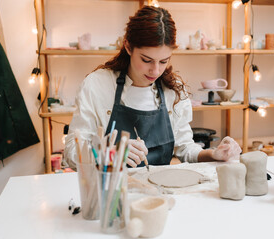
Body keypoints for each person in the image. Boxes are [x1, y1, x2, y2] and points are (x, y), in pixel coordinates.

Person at [64, 6, 241, 168]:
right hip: (112, 194)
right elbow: (72, 152)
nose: (155, 70)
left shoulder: (174, 90)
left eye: (164, 61)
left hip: (159, 194)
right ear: (128, 46)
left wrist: (214, 154)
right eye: (146, 60)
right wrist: (109, 153)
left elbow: (186, 149)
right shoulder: (97, 85)